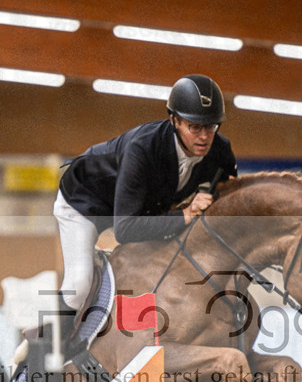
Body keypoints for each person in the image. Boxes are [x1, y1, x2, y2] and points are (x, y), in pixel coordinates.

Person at [52, 73, 238, 347]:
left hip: (141, 208)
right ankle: (44, 358)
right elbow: (125, 229)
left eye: (211, 127)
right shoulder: (143, 147)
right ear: (174, 120)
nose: (204, 137)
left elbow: (226, 204)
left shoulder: (220, 150)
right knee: (79, 284)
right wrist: (185, 214)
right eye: (194, 127)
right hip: (84, 202)